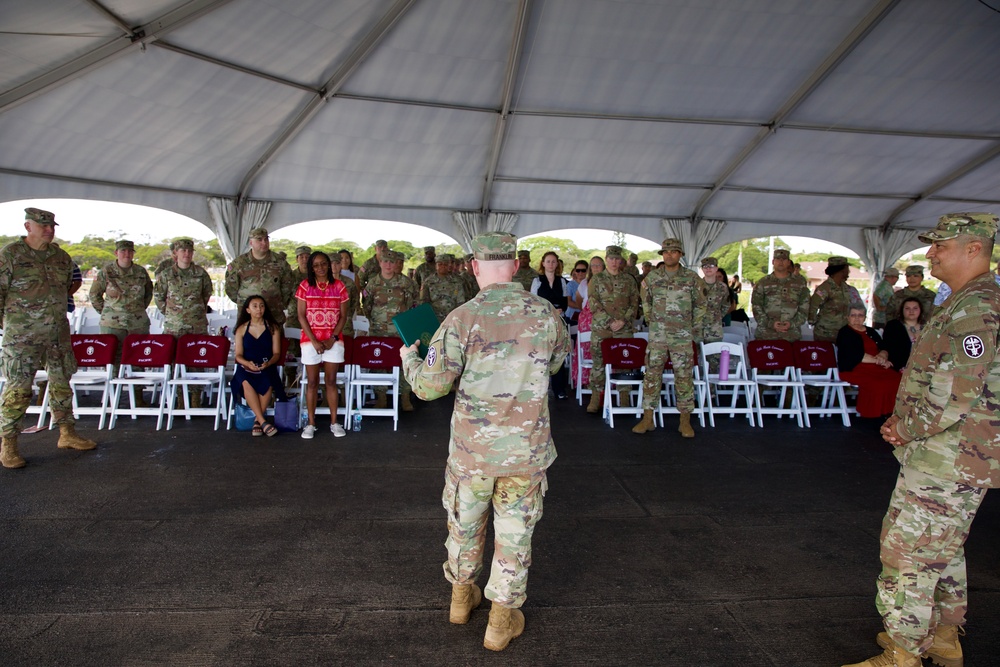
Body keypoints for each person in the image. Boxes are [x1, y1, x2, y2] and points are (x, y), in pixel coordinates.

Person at [399, 231, 570, 653]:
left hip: (472, 455)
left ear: (474, 267)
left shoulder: (460, 318)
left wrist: (410, 359)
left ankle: (461, 600)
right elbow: (557, 361)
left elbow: (429, 387)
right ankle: (499, 620)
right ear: (515, 266)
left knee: (464, 525)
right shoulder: (546, 313)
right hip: (524, 453)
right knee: (514, 536)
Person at [844, 212, 1000, 667]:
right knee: (942, 547)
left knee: (907, 551)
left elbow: (957, 392)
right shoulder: (966, 300)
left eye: (940, 245)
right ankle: (943, 635)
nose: (930, 252)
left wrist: (903, 427)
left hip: (950, 456)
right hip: (950, 453)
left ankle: (904, 652)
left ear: (973, 249)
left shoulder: (976, 308)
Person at [0, 208, 96, 469]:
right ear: (27, 226)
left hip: (56, 333)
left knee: (61, 382)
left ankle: (67, 433)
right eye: (43, 226)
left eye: (52, 226)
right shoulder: (10, 255)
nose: (49, 230)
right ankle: (8, 444)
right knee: (18, 388)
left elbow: (69, 285)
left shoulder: (60, 257)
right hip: (22, 336)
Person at [632, 238, 707, 437]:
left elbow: (701, 304)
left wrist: (689, 325)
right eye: (666, 252)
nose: (669, 255)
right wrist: (653, 321)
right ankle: (648, 418)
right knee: (651, 375)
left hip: (681, 336)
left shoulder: (691, 278)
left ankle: (685, 421)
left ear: (680, 254)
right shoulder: (652, 278)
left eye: (673, 251)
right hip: (658, 335)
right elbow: (645, 303)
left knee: (683, 376)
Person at [296, 251, 349, 439]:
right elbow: (301, 316)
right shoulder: (304, 286)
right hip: (310, 341)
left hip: (333, 340)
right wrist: (314, 340)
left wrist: (331, 339)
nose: (320, 268)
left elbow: (343, 316)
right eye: (316, 265)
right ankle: (310, 424)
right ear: (311, 267)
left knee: (331, 381)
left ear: (329, 265)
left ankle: (335, 422)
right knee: (311, 382)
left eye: (323, 264)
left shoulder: (340, 286)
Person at [586, 246, 639, 414]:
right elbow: (593, 303)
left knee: (625, 363)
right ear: (606, 259)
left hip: (623, 328)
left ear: (621, 260)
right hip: (603, 328)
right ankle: (595, 398)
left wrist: (623, 320)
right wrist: (610, 321)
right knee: (598, 364)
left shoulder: (629, 280)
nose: (614, 262)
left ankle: (623, 400)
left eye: (617, 259)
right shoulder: (597, 279)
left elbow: (635, 302)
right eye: (611, 259)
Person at [363, 250, 418, 411]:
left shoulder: (405, 283)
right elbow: (366, 306)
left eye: (391, 262)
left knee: (404, 362)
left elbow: (413, 303)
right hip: (378, 331)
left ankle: (405, 397)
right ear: (380, 263)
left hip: (400, 331)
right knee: (378, 362)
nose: (388, 265)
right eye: (385, 261)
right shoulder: (372, 283)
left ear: (396, 264)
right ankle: (381, 397)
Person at [89, 239, 154, 363]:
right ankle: (113, 382)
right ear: (116, 253)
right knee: (112, 359)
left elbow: (148, 293)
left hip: (137, 323)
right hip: (112, 324)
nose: (127, 254)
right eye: (123, 251)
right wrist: (107, 312)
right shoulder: (106, 272)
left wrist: (137, 309)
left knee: (138, 357)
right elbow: (94, 294)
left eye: (130, 251)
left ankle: (136, 383)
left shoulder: (140, 272)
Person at [230, 295, 286, 437]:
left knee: (268, 380)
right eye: (254, 306)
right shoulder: (241, 329)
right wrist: (247, 363)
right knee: (246, 381)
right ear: (248, 310)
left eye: (261, 306)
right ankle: (262, 420)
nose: (259, 309)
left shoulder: (273, 328)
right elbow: (238, 355)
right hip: (246, 366)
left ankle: (257, 421)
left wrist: (268, 363)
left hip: (266, 364)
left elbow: (277, 353)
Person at [835, 306, 900, 419]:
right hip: (855, 368)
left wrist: (883, 356)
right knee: (877, 383)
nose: (857, 318)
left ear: (865, 317)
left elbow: (884, 347)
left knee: (898, 379)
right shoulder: (845, 332)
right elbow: (854, 355)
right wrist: (879, 361)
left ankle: (893, 413)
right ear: (847, 317)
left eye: (860, 315)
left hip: (877, 366)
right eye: (853, 315)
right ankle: (875, 415)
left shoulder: (871, 331)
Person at [224, 227, 295, 326]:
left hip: (273, 315)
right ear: (251, 243)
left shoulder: (280, 262)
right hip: (248, 317)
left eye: (266, 239)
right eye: (259, 240)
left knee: (275, 340)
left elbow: (287, 287)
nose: (264, 243)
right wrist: (246, 303)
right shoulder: (239, 263)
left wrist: (277, 303)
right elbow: (231, 288)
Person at [530, 251, 570, 399]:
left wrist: (560, 310)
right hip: (542, 322)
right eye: (548, 261)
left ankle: (560, 389)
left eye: (554, 261)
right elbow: (533, 302)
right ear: (543, 263)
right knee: (542, 356)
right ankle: (541, 389)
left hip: (559, 321)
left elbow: (565, 302)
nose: (551, 264)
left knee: (558, 355)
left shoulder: (562, 281)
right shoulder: (537, 281)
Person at [154, 238, 213, 338]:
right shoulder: (166, 274)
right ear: (176, 252)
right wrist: (171, 313)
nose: (187, 253)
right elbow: (159, 296)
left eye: (190, 251)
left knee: (197, 352)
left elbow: (206, 294)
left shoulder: (201, 273)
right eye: (183, 250)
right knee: (173, 352)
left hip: (197, 325)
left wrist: (195, 309)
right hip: (174, 326)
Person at [751, 248, 809, 341]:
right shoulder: (763, 282)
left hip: (791, 335)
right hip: (766, 334)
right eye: (778, 259)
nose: (780, 262)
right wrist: (770, 323)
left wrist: (792, 323)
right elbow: (756, 306)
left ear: (789, 262)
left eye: (784, 259)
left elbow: (804, 307)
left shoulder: (800, 283)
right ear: (773, 262)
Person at [571, 256, 604, 390]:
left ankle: (603, 382)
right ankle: (586, 380)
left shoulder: (609, 281)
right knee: (586, 349)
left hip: (603, 320)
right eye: (593, 265)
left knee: (602, 350)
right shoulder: (585, 282)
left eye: (599, 265)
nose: (596, 268)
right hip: (586, 320)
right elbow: (579, 301)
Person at [809, 256, 853, 342]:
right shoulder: (824, 288)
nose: (849, 271)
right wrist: (815, 322)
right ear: (842, 270)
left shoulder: (844, 287)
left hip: (842, 333)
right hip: (825, 334)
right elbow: (813, 306)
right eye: (847, 268)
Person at [880, 297, 926, 372]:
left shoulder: (928, 327)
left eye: (915, 308)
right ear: (902, 310)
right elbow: (886, 346)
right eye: (907, 308)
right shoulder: (893, 325)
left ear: (920, 310)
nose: (911, 311)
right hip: (900, 367)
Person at [420, 253, 466, 322]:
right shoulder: (428, 282)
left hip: (453, 318)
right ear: (436, 266)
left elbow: (461, 301)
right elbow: (424, 302)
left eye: (445, 264)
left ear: (449, 266)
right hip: (435, 318)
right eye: (440, 264)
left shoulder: (456, 281)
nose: (443, 267)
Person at [699, 256, 730, 343]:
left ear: (716, 268)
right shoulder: (695, 285)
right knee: (695, 355)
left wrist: (716, 317)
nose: (708, 268)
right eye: (705, 266)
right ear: (702, 269)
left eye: (711, 266)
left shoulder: (723, 287)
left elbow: (726, 305)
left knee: (714, 355)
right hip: (697, 330)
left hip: (714, 330)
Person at [284, 245, 311, 331]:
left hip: (312, 317)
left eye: (307, 257)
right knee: (292, 342)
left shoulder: (316, 276)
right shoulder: (290, 276)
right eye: (301, 257)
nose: (304, 260)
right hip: (294, 316)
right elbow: (285, 294)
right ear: (297, 259)